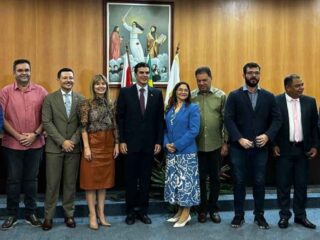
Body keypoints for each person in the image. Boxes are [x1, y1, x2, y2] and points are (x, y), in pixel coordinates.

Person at [224, 62, 281, 229]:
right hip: (238, 148)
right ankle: (238, 215)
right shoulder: (234, 96)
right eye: (250, 73)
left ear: (259, 75)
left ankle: (259, 216)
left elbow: (277, 119)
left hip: (260, 148)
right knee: (239, 182)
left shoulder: (269, 97)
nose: (253, 76)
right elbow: (228, 119)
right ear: (244, 75)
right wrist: (239, 139)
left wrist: (268, 135)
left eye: (256, 73)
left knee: (259, 182)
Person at [0, 59, 47, 230]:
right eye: (20, 70)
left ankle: (30, 213)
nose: (24, 73)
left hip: (35, 144)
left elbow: (47, 117)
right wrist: (18, 136)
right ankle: (11, 215)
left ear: (30, 71)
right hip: (12, 144)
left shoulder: (41, 91)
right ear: (14, 72)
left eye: (27, 70)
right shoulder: (5, 92)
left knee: (31, 180)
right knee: (13, 180)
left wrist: (34, 135)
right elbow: (1, 118)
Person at [116, 62, 164, 225]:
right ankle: (130, 212)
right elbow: (120, 119)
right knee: (130, 180)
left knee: (145, 180)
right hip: (130, 144)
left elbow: (159, 120)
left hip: (149, 145)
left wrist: (158, 141)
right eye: (141, 72)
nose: (144, 75)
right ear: (135, 74)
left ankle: (143, 211)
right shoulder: (125, 92)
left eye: (146, 72)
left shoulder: (156, 93)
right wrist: (121, 140)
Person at [273, 74, 318, 229]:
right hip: (284, 151)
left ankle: (300, 216)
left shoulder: (310, 102)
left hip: (302, 151)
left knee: (301, 185)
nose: (301, 88)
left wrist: (315, 146)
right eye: (297, 85)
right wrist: (273, 144)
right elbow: (271, 125)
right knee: (283, 185)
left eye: (302, 84)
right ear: (287, 87)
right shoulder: (276, 101)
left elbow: (314, 127)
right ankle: (284, 216)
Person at [41, 68, 85, 231]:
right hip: (54, 148)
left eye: (71, 78)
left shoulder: (81, 99)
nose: (68, 80)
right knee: (52, 184)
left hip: (73, 148)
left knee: (70, 184)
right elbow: (46, 122)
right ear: (58, 79)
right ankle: (48, 217)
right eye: (65, 77)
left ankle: (69, 214)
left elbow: (83, 124)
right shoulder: (49, 99)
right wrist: (62, 142)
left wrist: (72, 141)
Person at [78, 74, 119, 230]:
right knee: (90, 183)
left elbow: (115, 125)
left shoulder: (110, 103)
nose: (101, 86)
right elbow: (83, 127)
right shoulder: (85, 104)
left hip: (108, 145)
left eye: (103, 84)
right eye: (97, 84)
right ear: (93, 87)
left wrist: (116, 143)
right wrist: (87, 147)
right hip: (93, 145)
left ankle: (101, 214)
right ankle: (92, 215)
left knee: (103, 183)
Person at [191, 67, 228, 224]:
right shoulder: (191, 96)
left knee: (215, 179)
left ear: (211, 78)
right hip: (196, 146)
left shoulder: (221, 96)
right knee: (199, 179)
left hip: (215, 145)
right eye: (199, 81)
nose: (202, 83)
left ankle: (213, 209)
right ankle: (202, 210)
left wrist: (225, 142)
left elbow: (226, 121)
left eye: (204, 80)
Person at [164, 82, 200, 228]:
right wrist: (166, 143)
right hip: (172, 154)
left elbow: (194, 130)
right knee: (178, 184)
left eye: (186, 90)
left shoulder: (193, 108)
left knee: (187, 185)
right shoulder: (170, 108)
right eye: (180, 89)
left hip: (186, 153)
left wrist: (177, 145)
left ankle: (186, 213)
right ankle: (180, 210)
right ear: (175, 91)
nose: (183, 92)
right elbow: (165, 129)